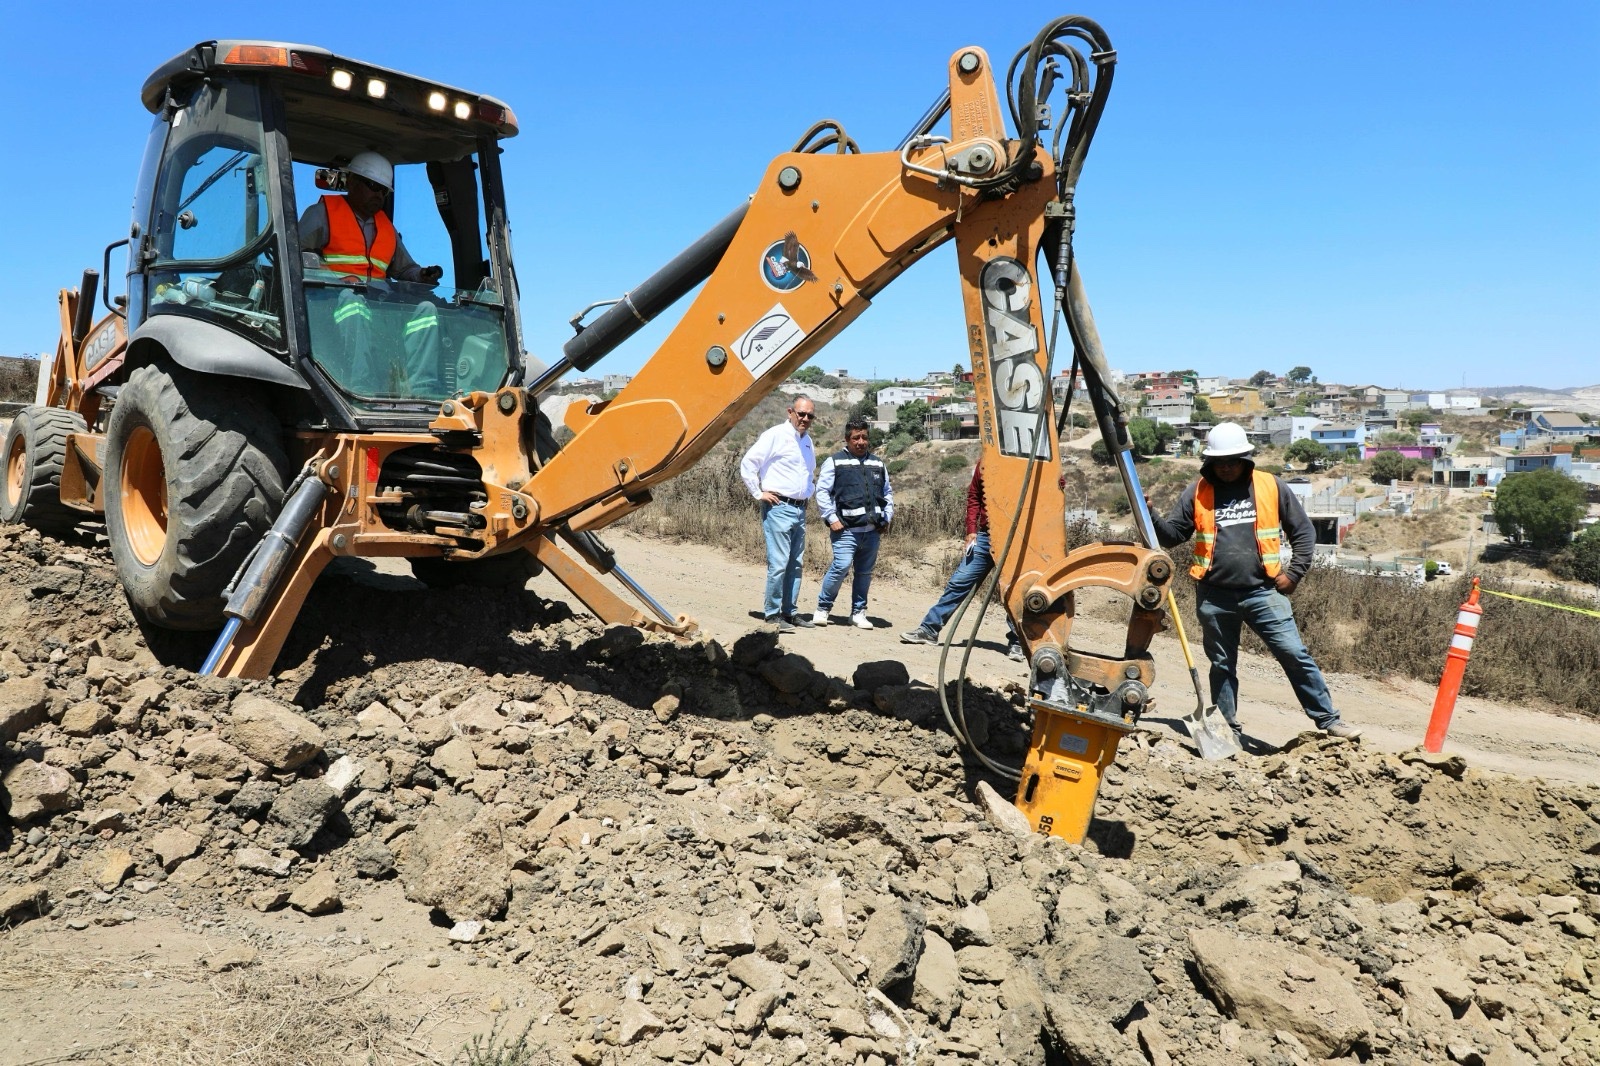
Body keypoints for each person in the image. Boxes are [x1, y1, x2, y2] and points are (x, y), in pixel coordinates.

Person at [1146, 421, 1361, 740]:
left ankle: (1328, 720)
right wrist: (1151, 515)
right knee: (1221, 663)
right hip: (1214, 596)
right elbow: (1173, 536)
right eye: (1221, 462)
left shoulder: (1271, 486)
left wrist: (1295, 573)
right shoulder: (1198, 491)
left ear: (1246, 458)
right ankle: (1226, 726)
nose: (1227, 468)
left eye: (1233, 461)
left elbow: (1303, 531)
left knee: (1293, 653)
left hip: (1264, 592)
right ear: (1211, 462)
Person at [298, 151, 446, 395]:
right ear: (353, 182)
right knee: (352, 304)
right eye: (373, 186)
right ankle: (360, 389)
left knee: (425, 311)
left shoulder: (386, 228)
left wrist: (422, 276)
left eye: (383, 190)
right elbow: (296, 254)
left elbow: (404, 268)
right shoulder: (322, 213)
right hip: (330, 304)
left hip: (380, 306)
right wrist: (334, 279)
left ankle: (423, 391)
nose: (378, 194)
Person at [900, 461, 1025, 661]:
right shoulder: (985, 463)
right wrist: (971, 531)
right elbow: (974, 497)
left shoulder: (1031, 464)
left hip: (1017, 538)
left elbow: (1054, 490)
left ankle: (1018, 643)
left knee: (1013, 592)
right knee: (959, 581)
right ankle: (929, 630)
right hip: (986, 536)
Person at [739, 396, 818, 634]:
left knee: (795, 563)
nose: (804, 419)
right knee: (779, 563)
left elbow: (809, 471)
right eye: (801, 414)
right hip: (779, 507)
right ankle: (772, 614)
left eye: (809, 416)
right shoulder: (775, 435)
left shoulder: (807, 441)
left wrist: (808, 492)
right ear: (790, 412)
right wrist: (758, 492)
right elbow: (749, 463)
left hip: (799, 508)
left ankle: (789, 613)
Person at [811, 420, 894, 628]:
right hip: (845, 530)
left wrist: (887, 517)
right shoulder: (835, 462)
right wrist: (831, 518)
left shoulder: (878, 464)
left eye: (864, 437)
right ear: (847, 439)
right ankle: (823, 608)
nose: (861, 441)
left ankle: (858, 613)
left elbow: (887, 493)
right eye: (856, 437)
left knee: (864, 573)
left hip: (872, 531)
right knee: (841, 566)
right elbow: (822, 491)